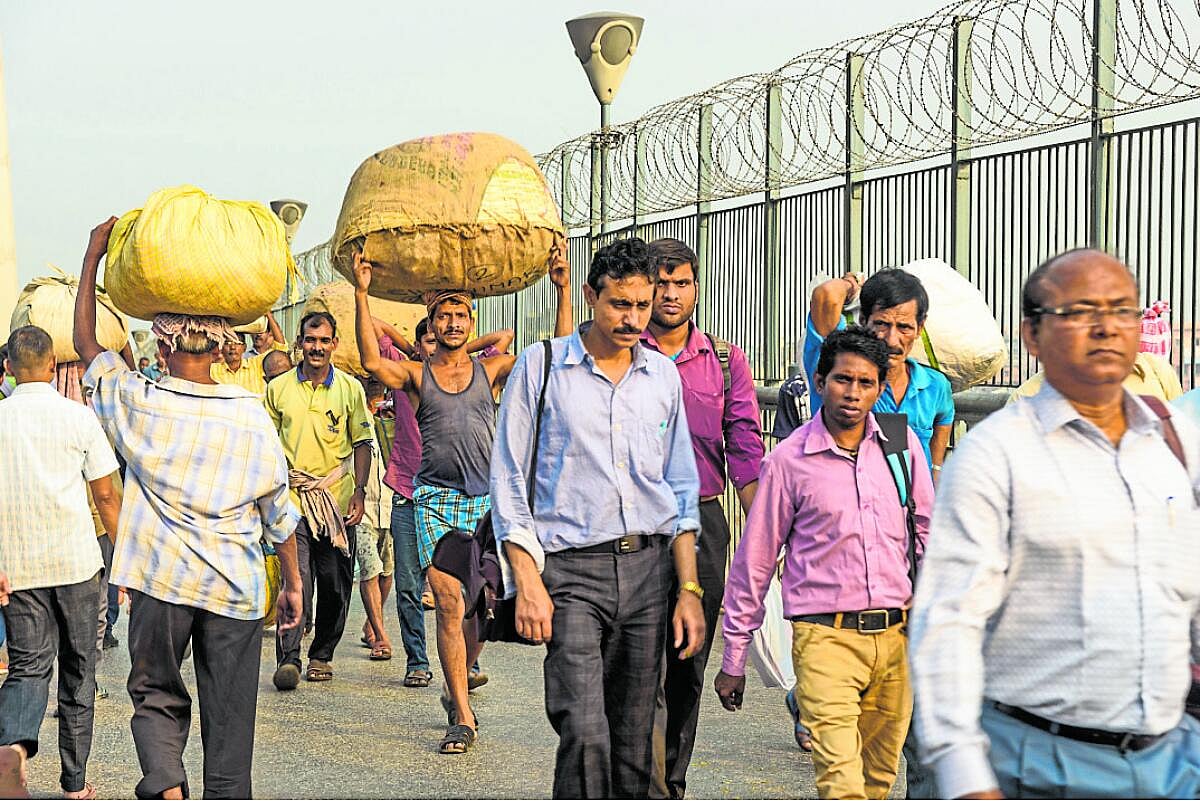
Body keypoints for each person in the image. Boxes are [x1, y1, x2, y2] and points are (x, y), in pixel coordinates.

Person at [909, 249, 1200, 799]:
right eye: (1081, 311)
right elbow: (947, 621)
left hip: (1172, 759)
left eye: (1122, 310)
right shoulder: (998, 456)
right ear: (1033, 335)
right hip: (1037, 761)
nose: (1106, 328)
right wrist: (964, 773)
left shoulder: (1175, 442)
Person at [74, 217, 304, 800]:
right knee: (230, 726)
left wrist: (93, 257)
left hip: (160, 582)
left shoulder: (138, 401)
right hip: (236, 588)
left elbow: (86, 347)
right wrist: (294, 582)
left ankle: (167, 785)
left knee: (155, 694)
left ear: (164, 341)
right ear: (224, 342)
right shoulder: (250, 413)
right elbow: (279, 513)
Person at [549, 237, 765, 798]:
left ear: (697, 288)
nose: (668, 295)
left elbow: (742, 444)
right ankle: (635, 778)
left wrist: (765, 531)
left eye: (681, 283)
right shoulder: (617, 345)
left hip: (700, 521)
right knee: (636, 670)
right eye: (659, 284)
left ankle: (670, 779)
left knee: (687, 663)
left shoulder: (721, 360)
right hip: (629, 530)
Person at [492, 237, 707, 798]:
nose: (634, 319)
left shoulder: (661, 378)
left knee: (637, 743)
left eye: (642, 305)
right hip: (570, 575)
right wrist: (528, 581)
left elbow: (681, 489)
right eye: (620, 305)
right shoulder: (542, 369)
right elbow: (510, 481)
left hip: (648, 574)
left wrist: (688, 589)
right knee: (584, 730)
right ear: (590, 295)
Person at [714, 326, 933, 800]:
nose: (853, 394)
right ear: (819, 382)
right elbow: (755, 561)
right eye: (842, 380)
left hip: (898, 639)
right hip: (824, 639)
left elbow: (928, 538)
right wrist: (734, 657)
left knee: (877, 781)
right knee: (842, 782)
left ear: (879, 387)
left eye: (866, 383)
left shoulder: (901, 445)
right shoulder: (789, 462)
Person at [353, 252, 517, 754]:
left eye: (460, 315)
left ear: (472, 322)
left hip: (484, 504)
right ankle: (462, 716)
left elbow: (549, 355)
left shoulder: (490, 372)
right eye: (443, 316)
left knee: (482, 608)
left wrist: (560, 288)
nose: (451, 323)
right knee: (448, 604)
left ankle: (460, 676)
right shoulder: (416, 375)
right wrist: (362, 292)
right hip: (433, 503)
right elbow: (371, 362)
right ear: (432, 324)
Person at [0, 325, 123, 801]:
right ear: (53, 366)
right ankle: (74, 784)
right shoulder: (79, 417)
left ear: (9, 367)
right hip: (76, 564)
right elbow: (107, 494)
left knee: (27, 668)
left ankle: (11, 750)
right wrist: (127, 559)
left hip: (19, 566)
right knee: (79, 669)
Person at [266, 311, 373, 688]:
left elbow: (362, 444)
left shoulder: (349, 389)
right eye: (310, 340)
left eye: (324, 340)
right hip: (291, 500)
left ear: (334, 345)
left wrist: (359, 492)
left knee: (334, 582)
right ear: (300, 343)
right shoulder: (278, 389)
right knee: (295, 579)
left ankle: (322, 653)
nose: (317, 347)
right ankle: (289, 657)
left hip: (336, 501)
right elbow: (266, 446)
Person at [799, 269, 954, 474]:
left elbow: (944, 417)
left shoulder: (935, 386)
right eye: (881, 324)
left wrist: (934, 470)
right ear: (863, 320)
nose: (891, 340)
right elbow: (826, 296)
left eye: (904, 327)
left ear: (920, 328)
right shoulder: (840, 369)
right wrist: (851, 283)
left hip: (913, 504)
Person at [355, 373, 396, 662]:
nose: (373, 381)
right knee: (370, 568)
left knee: (387, 572)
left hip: (393, 502)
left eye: (377, 377)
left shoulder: (395, 410)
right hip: (362, 504)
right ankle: (381, 636)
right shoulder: (352, 410)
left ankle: (372, 621)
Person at [210, 313, 286, 396]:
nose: (232, 347)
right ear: (221, 347)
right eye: (228, 343)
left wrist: (269, 315)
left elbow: (280, 347)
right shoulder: (213, 370)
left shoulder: (256, 364)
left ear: (244, 347)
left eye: (237, 343)